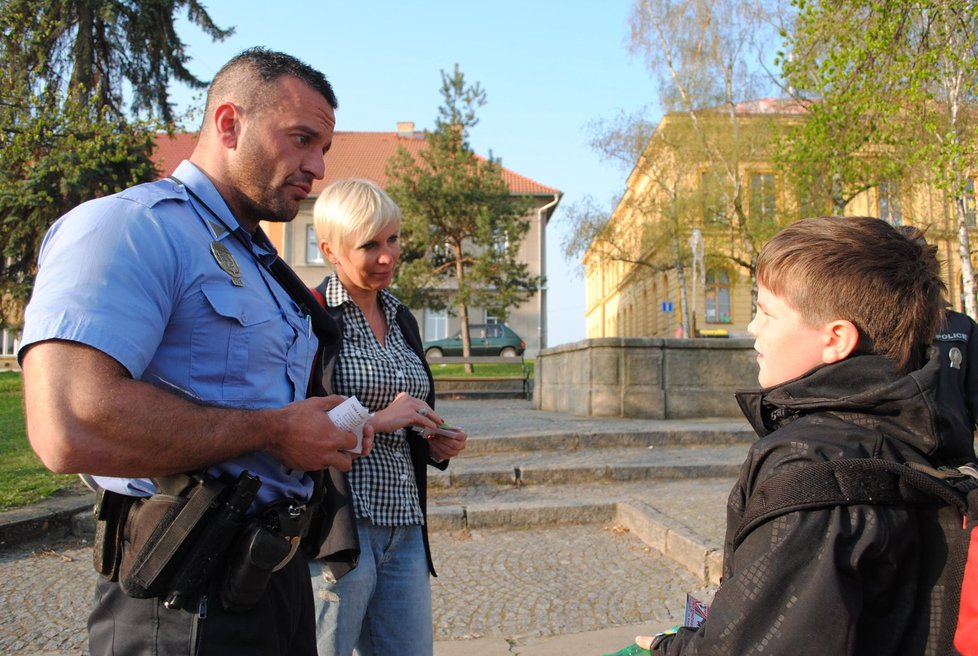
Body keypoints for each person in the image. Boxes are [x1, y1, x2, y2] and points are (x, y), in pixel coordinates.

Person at [18, 48, 358, 656]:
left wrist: (311, 428)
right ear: (228, 124)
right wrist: (277, 432)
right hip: (182, 601)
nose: (316, 167)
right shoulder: (128, 227)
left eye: (323, 149)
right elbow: (65, 425)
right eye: (302, 139)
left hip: (271, 579)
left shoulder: (259, 263)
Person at [634, 216, 957, 654]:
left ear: (835, 339)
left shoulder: (811, 465)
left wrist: (666, 648)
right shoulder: (920, 424)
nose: (753, 327)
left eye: (767, 312)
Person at [307, 178, 468, 656]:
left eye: (393, 239)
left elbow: (407, 415)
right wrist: (380, 419)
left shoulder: (402, 317)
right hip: (340, 526)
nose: (387, 256)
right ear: (330, 250)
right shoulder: (310, 318)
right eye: (369, 245)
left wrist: (431, 439)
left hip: (405, 522)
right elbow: (298, 429)